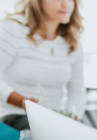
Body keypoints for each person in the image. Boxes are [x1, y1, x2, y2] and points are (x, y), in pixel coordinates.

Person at [0, 0, 84, 130]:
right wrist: (23, 102)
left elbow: (77, 90)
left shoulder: (72, 41)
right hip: (14, 116)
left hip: (55, 119)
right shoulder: (12, 29)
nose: (66, 4)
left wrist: (73, 117)